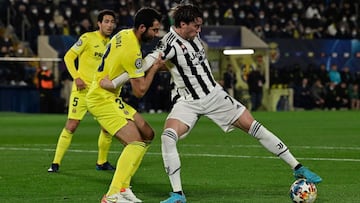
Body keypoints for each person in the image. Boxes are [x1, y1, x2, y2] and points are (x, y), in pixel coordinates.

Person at [106, 4, 323, 203]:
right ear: (182, 25)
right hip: (188, 102)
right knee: (167, 137)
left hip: (215, 97)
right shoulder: (169, 45)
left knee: (255, 128)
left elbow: (188, 64)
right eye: (196, 26)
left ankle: (298, 167)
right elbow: (143, 65)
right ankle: (178, 194)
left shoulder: (195, 37)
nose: (199, 30)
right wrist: (114, 82)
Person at [86, 8, 164, 203]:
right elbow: (140, 91)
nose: (156, 35)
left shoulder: (123, 34)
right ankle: (112, 194)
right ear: (142, 28)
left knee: (147, 134)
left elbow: (122, 67)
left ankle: (123, 188)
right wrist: (154, 68)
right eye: (154, 30)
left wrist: (113, 83)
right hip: (101, 98)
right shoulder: (133, 51)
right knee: (136, 142)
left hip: (109, 95)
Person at [47, 10, 116, 173]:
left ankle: (102, 162)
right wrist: (76, 77)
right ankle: (55, 163)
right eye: (106, 21)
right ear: (99, 23)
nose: (110, 25)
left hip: (101, 93)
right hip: (82, 90)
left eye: (112, 22)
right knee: (72, 125)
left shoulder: (113, 44)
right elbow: (68, 57)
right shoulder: (87, 38)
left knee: (107, 127)